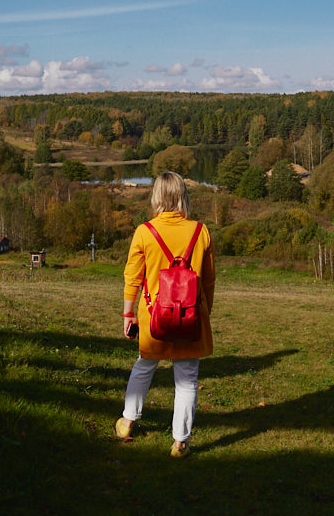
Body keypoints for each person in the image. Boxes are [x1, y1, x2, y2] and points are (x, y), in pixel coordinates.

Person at [115, 171, 215, 458]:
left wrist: (128, 313)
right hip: (190, 317)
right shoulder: (201, 231)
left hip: (153, 317)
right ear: (183, 195)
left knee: (144, 366)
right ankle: (180, 442)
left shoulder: (145, 232)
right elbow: (208, 280)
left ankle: (128, 421)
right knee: (187, 378)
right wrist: (205, 311)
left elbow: (132, 277)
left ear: (156, 196)